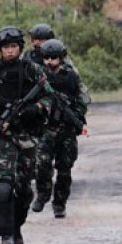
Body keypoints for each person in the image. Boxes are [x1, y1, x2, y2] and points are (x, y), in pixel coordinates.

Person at [0, 26, 53, 244]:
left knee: (24, 190)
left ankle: (17, 228)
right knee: (4, 186)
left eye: (13, 47)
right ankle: (6, 236)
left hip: (28, 135)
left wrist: (33, 109)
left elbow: (50, 97)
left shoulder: (33, 69)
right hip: (3, 136)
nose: (9, 51)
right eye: (5, 48)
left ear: (20, 48)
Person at [31, 39, 87, 218]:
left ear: (61, 58)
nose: (49, 61)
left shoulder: (71, 75)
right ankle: (42, 195)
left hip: (66, 129)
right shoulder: (38, 75)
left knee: (64, 169)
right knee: (42, 165)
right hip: (46, 128)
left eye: (53, 58)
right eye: (46, 57)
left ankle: (60, 204)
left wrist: (76, 113)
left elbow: (82, 98)